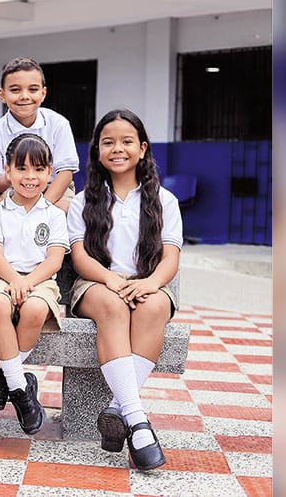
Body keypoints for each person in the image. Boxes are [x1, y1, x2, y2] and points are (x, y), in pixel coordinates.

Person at [66, 108, 182, 471]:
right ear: (98, 151)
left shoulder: (165, 201)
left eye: (127, 141)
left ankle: (119, 412)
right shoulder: (83, 200)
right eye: (108, 142)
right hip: (96, 283)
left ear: (143, 148)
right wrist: (111, 280)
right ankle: (137, 418)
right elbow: (81, 257)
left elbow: (170, 257)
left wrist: (150, 284)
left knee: (155, 307)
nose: (118, 149)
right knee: (113, 308)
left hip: (146, 282)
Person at [0, 133, 69, 435]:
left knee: (36, 309)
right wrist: (14, 280)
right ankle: (22, 392)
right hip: (2, 278)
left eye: (39, 169)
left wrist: (28, 283)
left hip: (41, 282)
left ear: (50, 172)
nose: (30, 177)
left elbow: (54, 260)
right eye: (22, 168)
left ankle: (5, 378)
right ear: (8, 171)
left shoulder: (54, 214)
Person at [0, 56, 79, 246]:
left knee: (69, 209)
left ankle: (61, 263)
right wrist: (11, 177)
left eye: (33, 89)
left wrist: (42, 205)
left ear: (43, 93)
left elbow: (65, 173)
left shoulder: (58, 124)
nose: (24, 96)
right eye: (15, 90)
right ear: (2, 95)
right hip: (12, 189)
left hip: (53, 189)